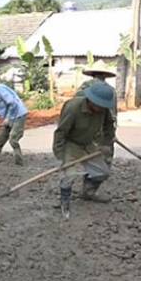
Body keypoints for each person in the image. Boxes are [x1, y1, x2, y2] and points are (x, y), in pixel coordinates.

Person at [52, 81, 116, 219]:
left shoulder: (103, 109)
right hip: (71, 143)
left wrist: (106, 143)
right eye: (99, 106)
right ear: (91, 100)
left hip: (88, 143)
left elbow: (109, 125)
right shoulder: (73, 107)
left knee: (103, 172)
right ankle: (64, 202)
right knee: (68, 174)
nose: (102, 110)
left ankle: (88, 191)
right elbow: (61, 132)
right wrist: (60, 156)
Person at [75, 60, 118, 167]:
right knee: (104, 151)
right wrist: (111, 134)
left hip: (83, 125)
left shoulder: (83, 87)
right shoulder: (109, 90)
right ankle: (103, 167)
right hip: (101, 126)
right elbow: (112, 115)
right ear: (105, 75)